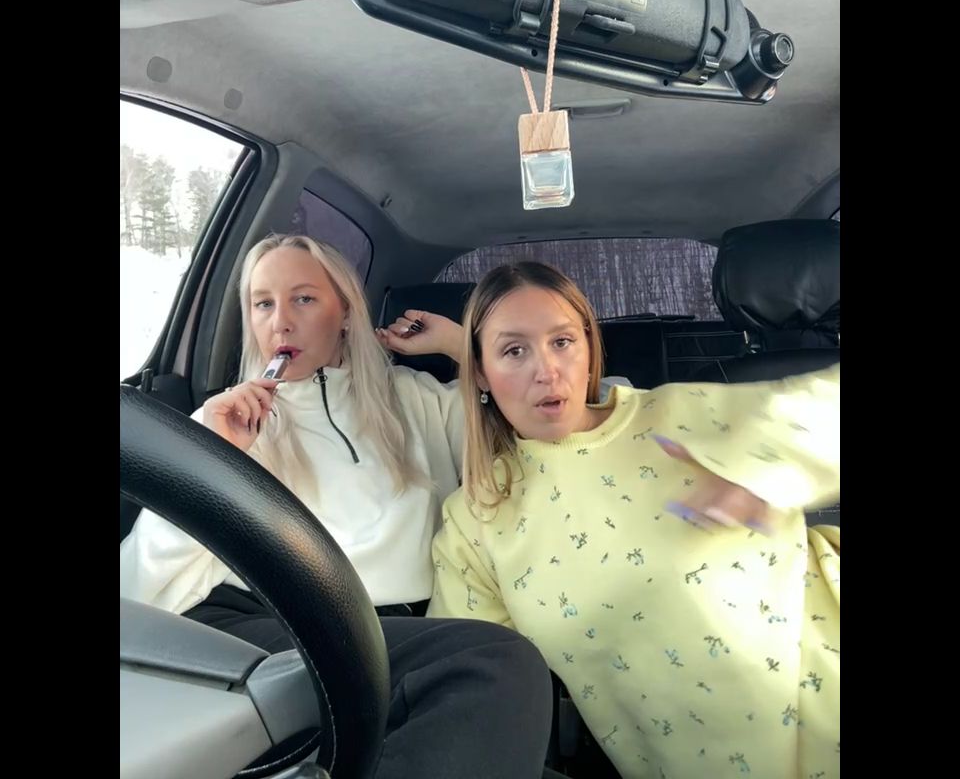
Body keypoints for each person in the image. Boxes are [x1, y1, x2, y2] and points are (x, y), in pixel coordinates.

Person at [120, 234, 553, 779]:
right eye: (263, 304)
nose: (281, 323)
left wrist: (460, 347)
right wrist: (213, 459)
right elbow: (136, 592)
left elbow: (543, 428)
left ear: (345, 312)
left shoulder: (417, 400)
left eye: (303, 299)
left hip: (392, 636)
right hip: (264, 625)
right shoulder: (228, 420)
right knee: (497, 661)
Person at [427, 260, 840, 779]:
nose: (547, 370)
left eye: (562, 342)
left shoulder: (677, 415)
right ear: (480, 372)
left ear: (589, 348)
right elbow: (469, 680)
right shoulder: (476, 519)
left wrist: (771, 468)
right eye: (514, 351)